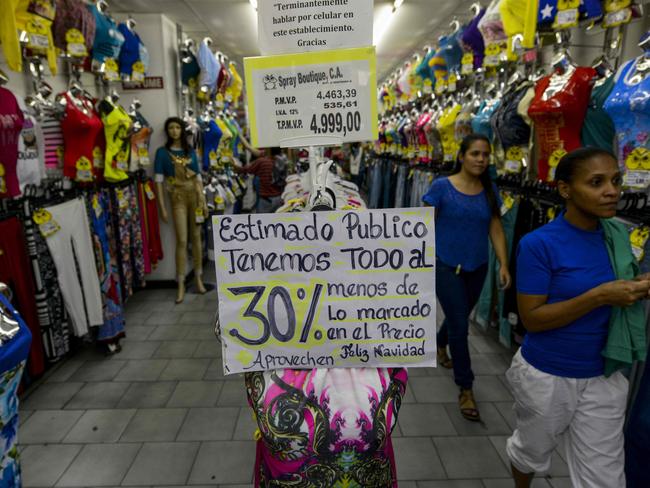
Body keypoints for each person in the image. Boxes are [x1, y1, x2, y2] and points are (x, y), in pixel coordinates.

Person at [507, 147, 650, 487]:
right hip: (547, 375)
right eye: (597, 182)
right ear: (565, 190)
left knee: (605, 477)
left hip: (605, 372)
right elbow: (533, 319)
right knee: (531, 453)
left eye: (616, 180)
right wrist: (599, 296)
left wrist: (637, 287)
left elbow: (618, 287)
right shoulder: (538, 244)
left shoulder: (617, 236)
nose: (612, 190)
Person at [422, 133, 511, 421]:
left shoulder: (489, 189)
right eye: (475, 153)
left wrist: (503, 264)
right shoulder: (441, 187)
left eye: (485, 155)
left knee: (458, 315)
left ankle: (438, 342)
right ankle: (466, 387)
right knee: (461, 326)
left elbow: (496, 227)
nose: (481, 159)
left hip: (478, 267)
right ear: (461, 156)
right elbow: (422, 224)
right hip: (445, 266)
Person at [154, 117, 208, 304]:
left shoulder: (190, 151)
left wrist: (202, 199)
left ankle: (199, 278)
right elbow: (159, 182)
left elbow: (199, 177)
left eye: (177, 127)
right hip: (176, 198)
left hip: (194, 195)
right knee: (182, 240)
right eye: (171, 128)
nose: (175, 131)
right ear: (167, 131)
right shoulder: (162, 153)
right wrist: (162, 207)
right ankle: (181, 283)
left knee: (196, 237)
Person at [234, 147, 285, 213]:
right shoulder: (282, 161)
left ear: (269, 149)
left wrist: (232, 164)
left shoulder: (262, 161)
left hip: (265, 200)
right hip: (279, 198)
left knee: (262, 221)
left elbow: (244, 170)